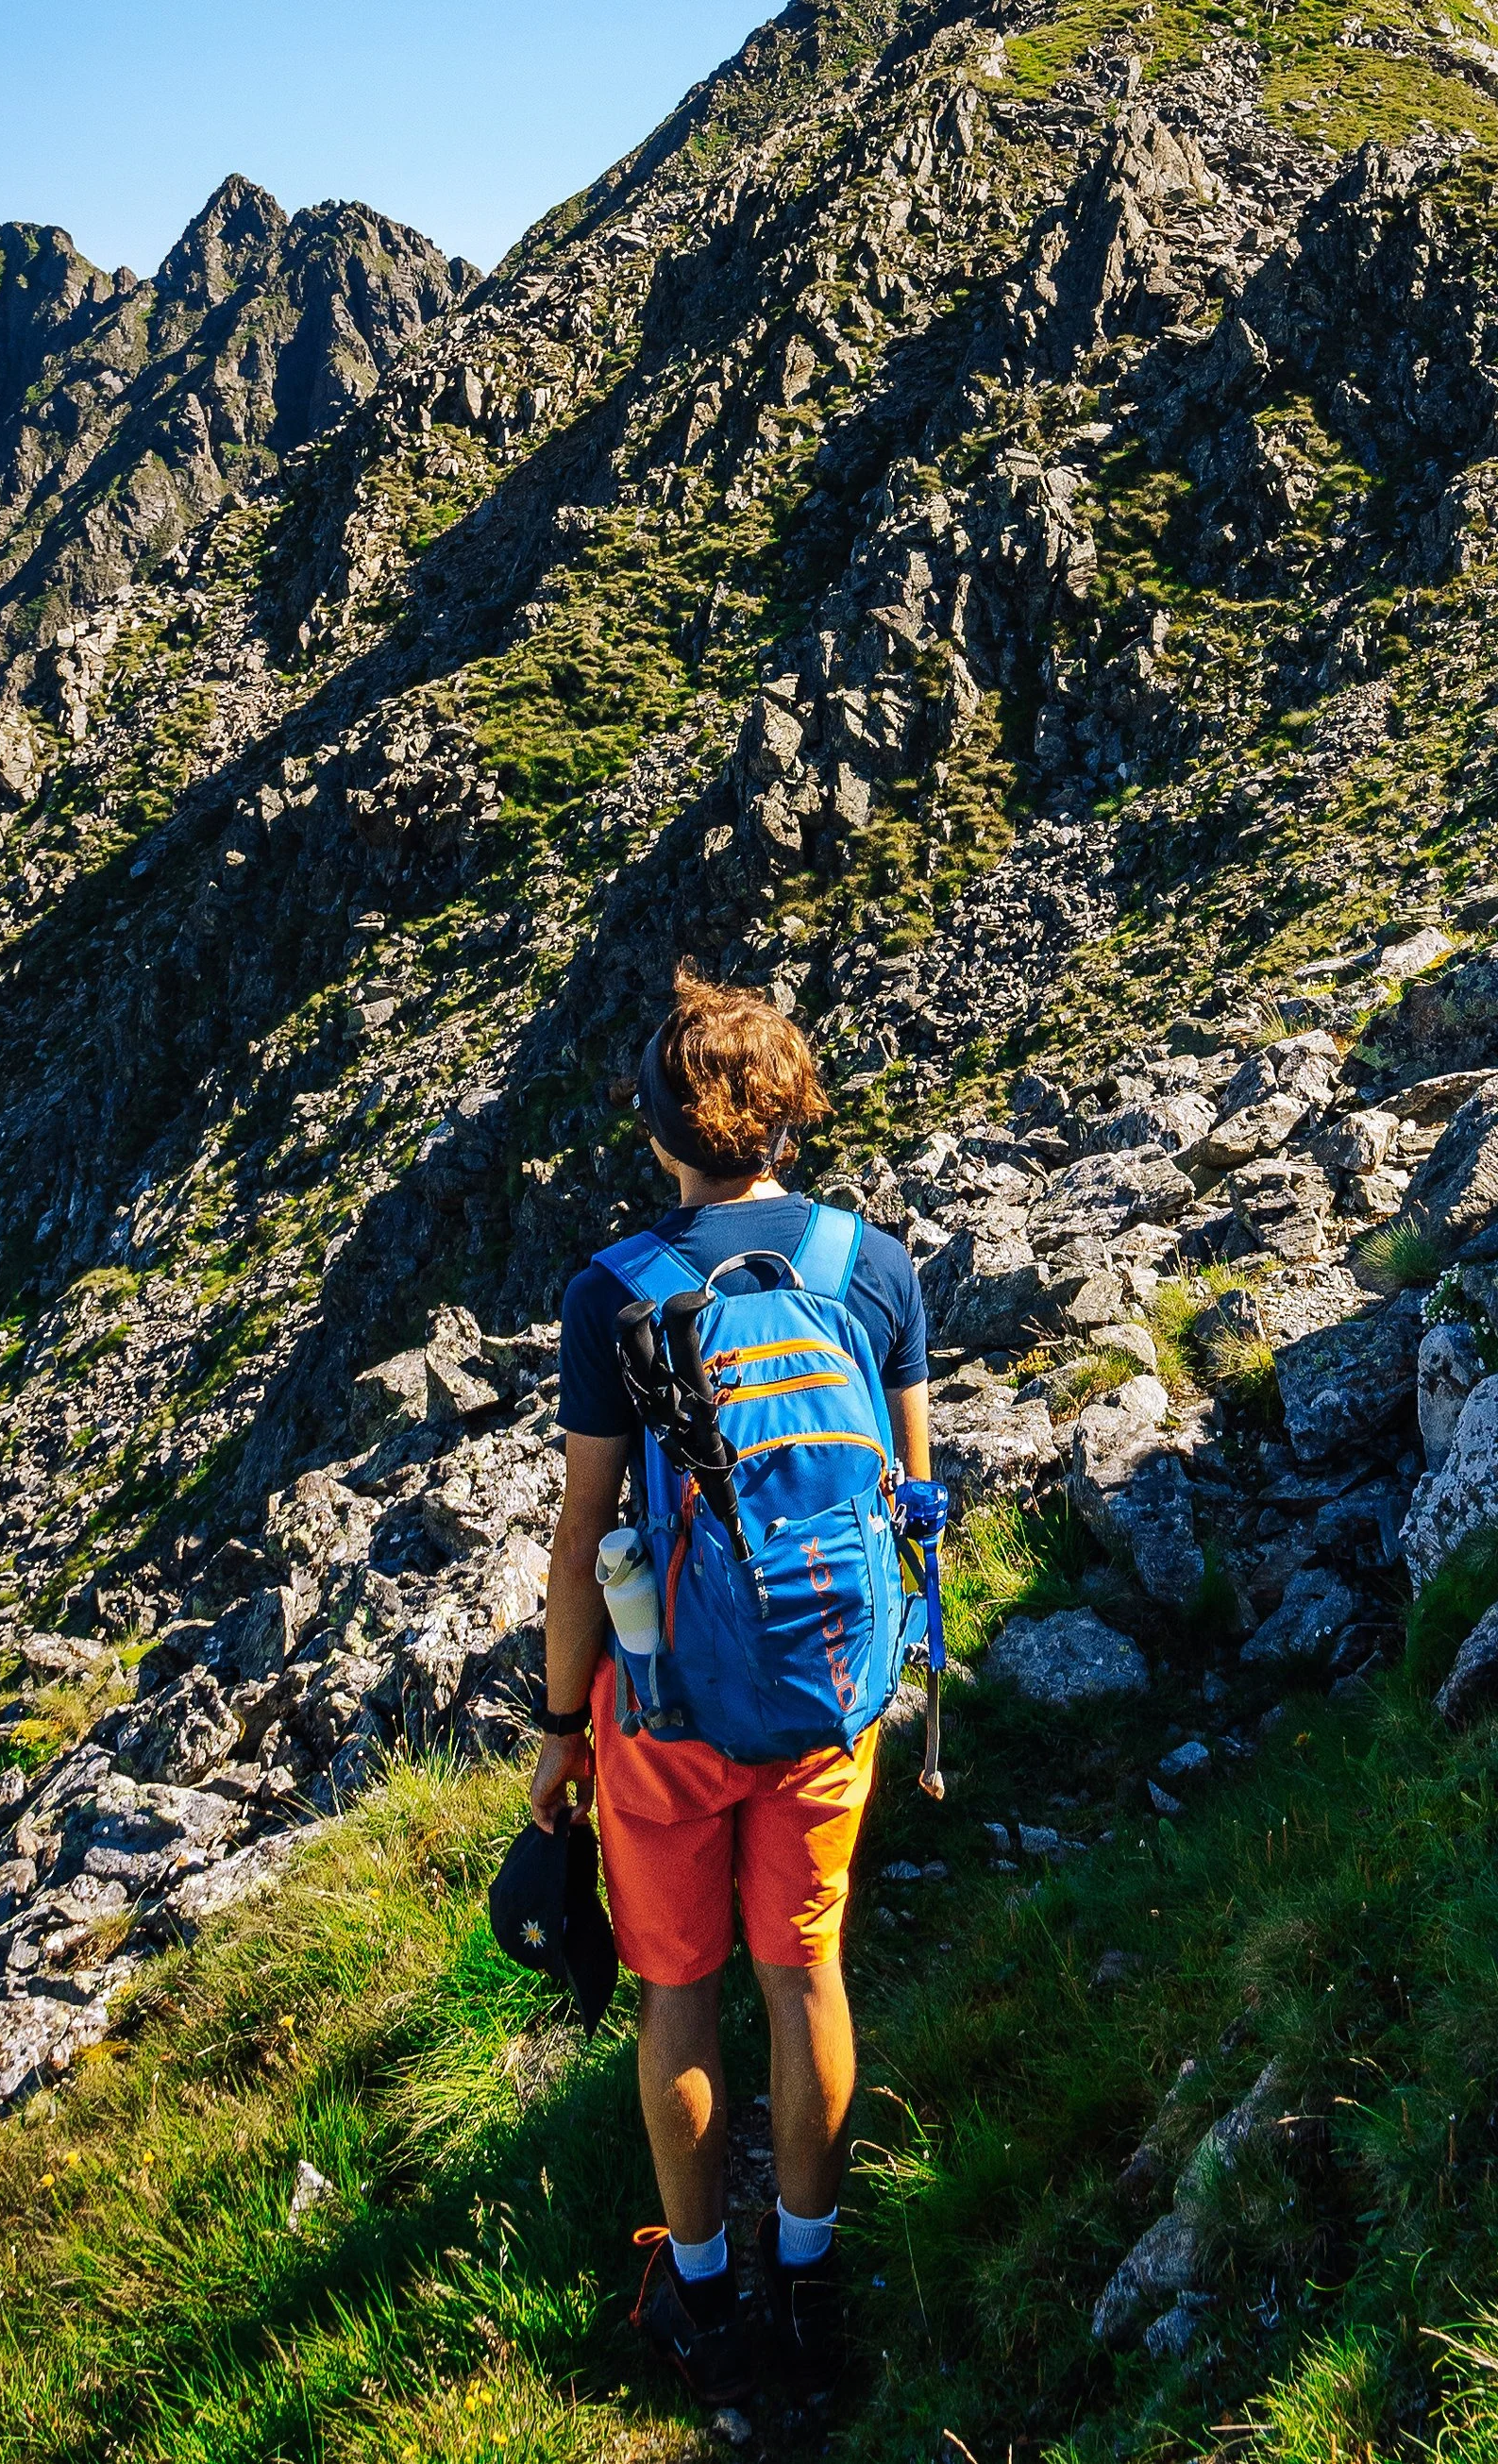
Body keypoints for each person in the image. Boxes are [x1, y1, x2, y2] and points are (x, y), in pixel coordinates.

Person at [529, 967, 932, 2405]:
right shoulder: (872, 1267)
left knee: (680, 1994)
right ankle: (810, 2274)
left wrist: (559, 1729)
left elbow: (584, 1532)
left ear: (657, 1132)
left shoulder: (614, 1291)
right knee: (805, 1968)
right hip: (827, 1694)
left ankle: (701, 2297)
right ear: (789, 1117)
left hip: (670, 1714)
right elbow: (912, 1493)